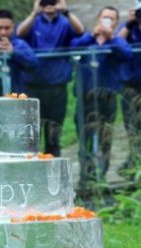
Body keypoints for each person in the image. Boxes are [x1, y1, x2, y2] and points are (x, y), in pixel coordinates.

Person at [70, 6, 132, 190]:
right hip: (85, 97)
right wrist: (92, 35)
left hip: (107, 97)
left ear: (115, 23)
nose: (107, 21)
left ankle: (101, 175)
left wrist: (111, 37)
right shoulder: (87, 40)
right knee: (84, 137)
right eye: (105, 18)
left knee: (105, 138)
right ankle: (85, 176)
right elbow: (72, 48)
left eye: (111, 19)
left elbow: (126, 54)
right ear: (98, 19)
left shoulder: (116, 42)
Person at [16, 0, 85, 156]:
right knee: (30, 135)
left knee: (54, 133)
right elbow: (19, 33)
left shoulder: (65, 22)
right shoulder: (33, 21)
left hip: (57, 85)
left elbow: (80, 31)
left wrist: (66, 11)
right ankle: (31, 174)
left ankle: (54, 174)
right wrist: (35, 12)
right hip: (32, 85)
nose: (49, 3)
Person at [0, 9, 38, 96]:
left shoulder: (20, 45)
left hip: (15, 96)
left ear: (13, 27)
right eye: (0, 28)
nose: (3, 32)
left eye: (7, 28)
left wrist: (14, 53)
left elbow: (34, 64)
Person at [117, 4, 141, 177]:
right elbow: (117, 42)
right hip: (129, 84)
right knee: (131, 125)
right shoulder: (128, 28)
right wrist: (128, 23)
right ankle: (135, 159)